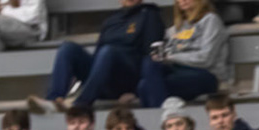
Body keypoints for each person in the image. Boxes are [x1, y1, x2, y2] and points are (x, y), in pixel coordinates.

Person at [30, 0, 163, 113]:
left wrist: (136, 92)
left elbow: (151, 56)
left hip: (127, 78)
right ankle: (54, 100)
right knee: (67, 48)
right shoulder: (112, 20)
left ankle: (80, 105)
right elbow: (98, 55)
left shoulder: (149, 14)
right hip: (103, 77)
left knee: (108, 51)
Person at [139, 0, 231, 107]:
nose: (182, 0)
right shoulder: (177, 27)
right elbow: (167, 53)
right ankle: (162, 111)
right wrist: (162, 56)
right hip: (178, 71)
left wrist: (170, 57)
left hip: (206, 74)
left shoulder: (210, 20)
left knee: (144, 87)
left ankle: (161, 113)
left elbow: (206, 59)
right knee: (149, 62)